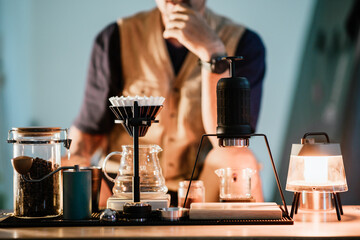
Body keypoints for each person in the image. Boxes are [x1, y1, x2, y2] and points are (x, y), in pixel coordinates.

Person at [63, 0, 266, 207]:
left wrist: (213, 53)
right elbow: (86, 138)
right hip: (123, 187)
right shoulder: (117, 37)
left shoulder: (243, 44)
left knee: (239, 159)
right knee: (74, 170)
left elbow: (227, 144)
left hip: (198, 188)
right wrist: (76, 165)